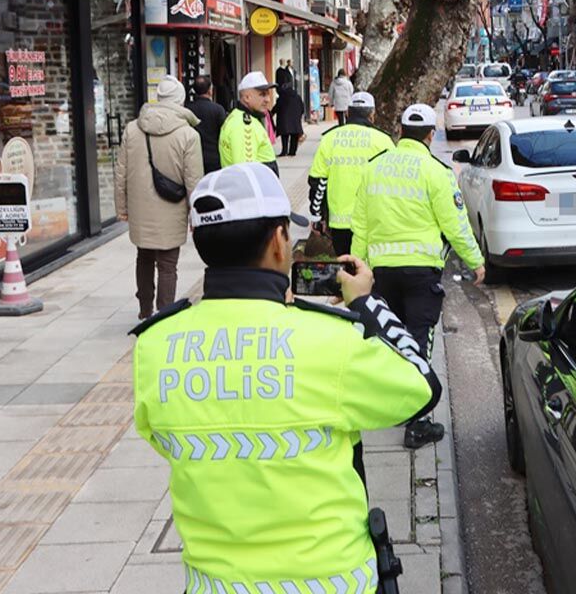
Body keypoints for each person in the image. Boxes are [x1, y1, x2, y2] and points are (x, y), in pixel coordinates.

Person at [131, 162, 439, 593]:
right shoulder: (329, 340)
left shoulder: (154, 345)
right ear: (278, 242)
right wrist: (367, 304)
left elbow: (162, 437)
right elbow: (422, 387)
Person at [351, 104, 485, 449]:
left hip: (382, 272)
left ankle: (393, 404)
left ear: (400, 131)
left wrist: (355, 268)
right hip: (421, 271)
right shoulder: (436, 171)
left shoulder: (374, 168)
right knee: (419, 339)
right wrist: (476, 261)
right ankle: (419, 422)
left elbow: (361, 225)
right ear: (430, 134)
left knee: (391, 339)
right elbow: (454, 225)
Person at [115, 75, 204, 320]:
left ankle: (144, 311)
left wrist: (121, 206)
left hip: (139, 207)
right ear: (181, 100)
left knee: (143, 257)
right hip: (172, 207)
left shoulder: (133, 128)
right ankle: (164, 316)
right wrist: (196, 216)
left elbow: (120, 171)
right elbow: (193, 180)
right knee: (167, 265)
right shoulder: (188, 135)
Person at [309, 91, 394, 256]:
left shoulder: (329, 138)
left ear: (347, 113)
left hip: (340, 224)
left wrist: (316, 215)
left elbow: (318, 181)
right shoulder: (384, 141)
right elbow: (393, 183)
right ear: (372, 115)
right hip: (374, 221)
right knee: (369, 270)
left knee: (347, 268)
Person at [219, 71, 279, 174]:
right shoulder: (244, 125)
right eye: (262, 94)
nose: (268, 100)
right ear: (247, 97)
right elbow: (245, 173)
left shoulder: (238, 117)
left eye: (268, 94)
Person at [186, 75, 228, 173]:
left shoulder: (187, 109)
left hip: (193, 156)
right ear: (210, 91)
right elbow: (224, 133)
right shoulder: (218, 109)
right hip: (215, 158)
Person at [271, 82, 305, 157]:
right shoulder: (297, 96)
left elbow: (277, 107)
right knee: (294, 136)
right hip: (295, 121)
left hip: (284, 120)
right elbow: (302, 108)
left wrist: (271, 113)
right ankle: (292, 151)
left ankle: (284, 151)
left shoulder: (282, 97)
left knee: (284, 136)